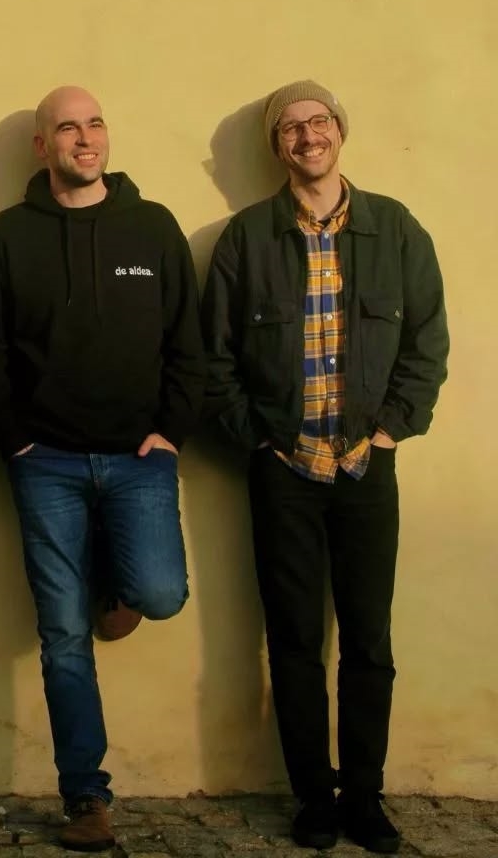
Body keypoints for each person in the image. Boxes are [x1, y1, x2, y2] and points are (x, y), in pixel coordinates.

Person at [201, 80, 449, 854]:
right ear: (276, 146)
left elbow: (427, 344)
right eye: (290, 128)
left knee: (369, 641)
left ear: (340, 130)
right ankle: (314, 796)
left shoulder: (395, 229)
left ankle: (365, 796)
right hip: (284, 469)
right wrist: (259, 440)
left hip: (366, 469)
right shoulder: (247, 237)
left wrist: (391, 431)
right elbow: (214, 357)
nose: (307, 136)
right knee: (294, 640)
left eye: (318, 121)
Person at [0, 86, 204, 852]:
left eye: (95, 123)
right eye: (67, 127)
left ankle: (117, 585)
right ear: (43, 146)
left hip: (140, 459)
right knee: (63, 635)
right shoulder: (11, 235)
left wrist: (171, 431)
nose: (84, 137)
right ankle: (85, 798)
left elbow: (188, 340)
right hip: (46, 465)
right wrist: (14, 441)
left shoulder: (153, 226)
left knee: (160, 592)